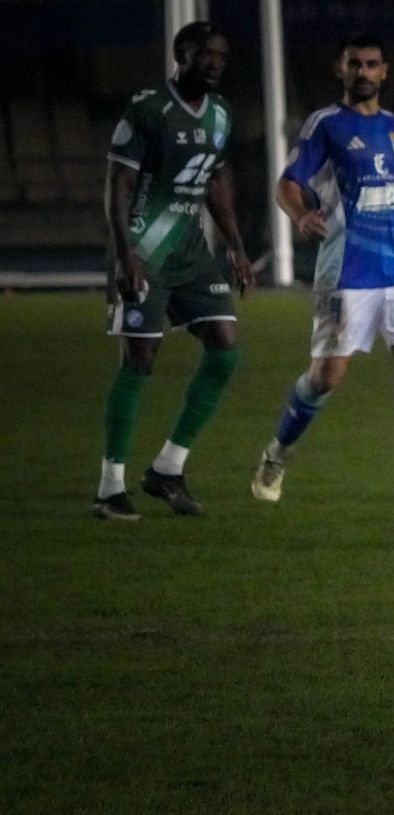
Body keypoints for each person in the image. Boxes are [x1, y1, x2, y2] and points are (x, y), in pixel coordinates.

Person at [251, 33, 394, 505]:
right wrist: (299, 214)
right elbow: (286, 183)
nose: (364, 73)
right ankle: (276, 454)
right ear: (341, 69)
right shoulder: (325, 124)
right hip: (347, 268)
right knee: (326, 376)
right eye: (355, 65)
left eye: (372, 65)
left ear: (385, 72)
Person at [94, 21, 253, 521]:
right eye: (205, 54)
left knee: (225, 349)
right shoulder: (147, 109)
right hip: (143, 249)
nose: (215, 64)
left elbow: (214, 182)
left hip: (190, 251)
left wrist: (237, 246)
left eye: (222, 56)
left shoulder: (222, 114)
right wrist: (125, 254)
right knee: (140, 358)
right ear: (181, 53)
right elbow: (117, 183)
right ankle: (109, 486)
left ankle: (167, 468)